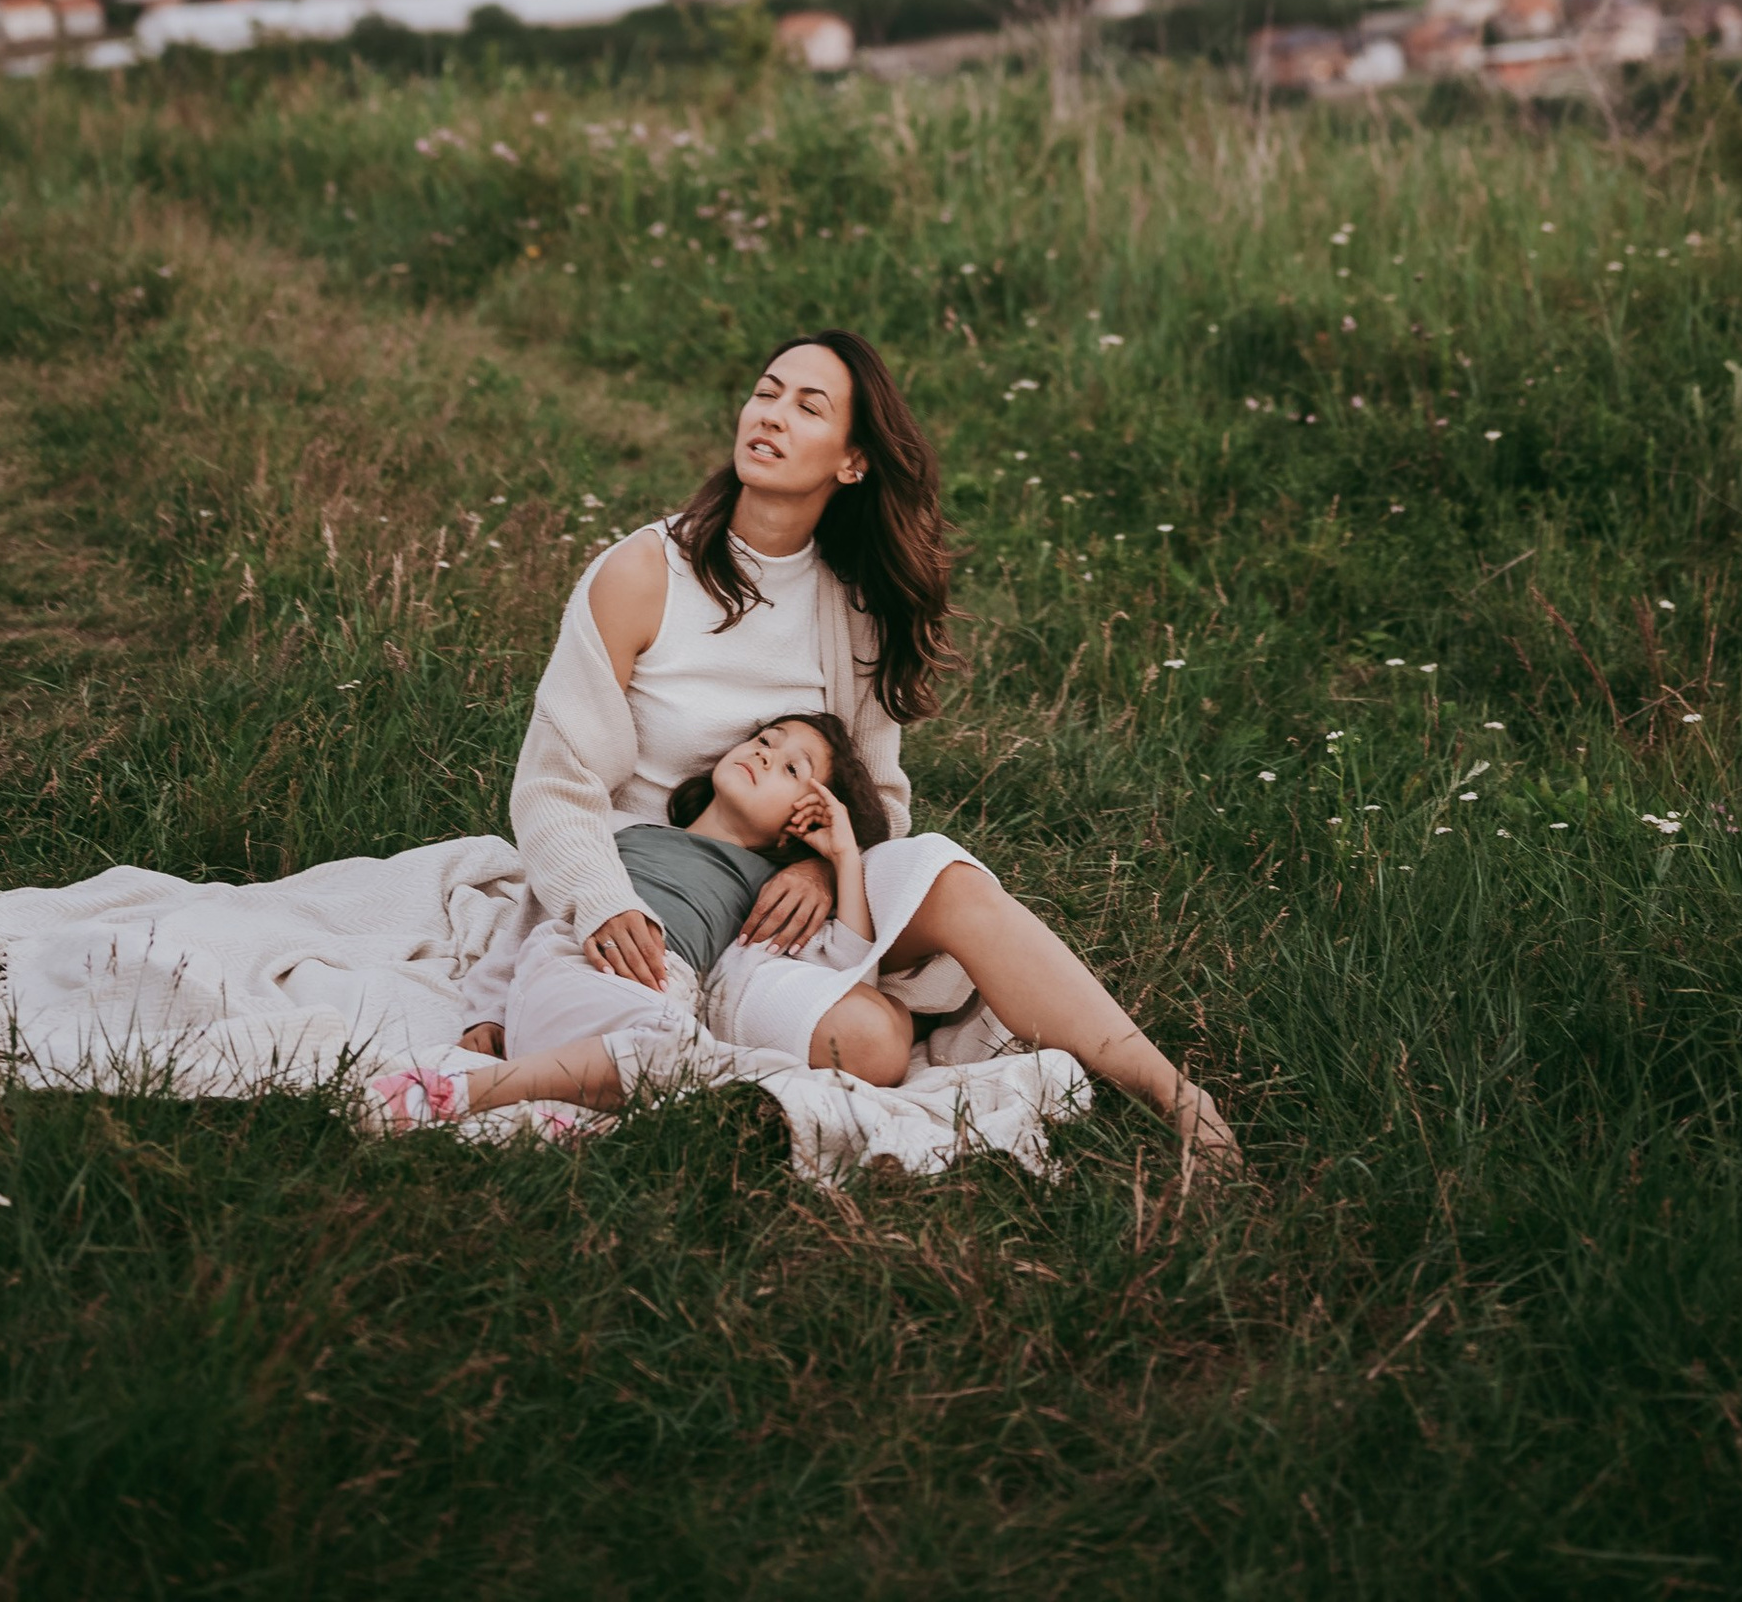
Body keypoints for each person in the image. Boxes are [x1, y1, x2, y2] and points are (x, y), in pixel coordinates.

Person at [463, 327, 1236, 1171]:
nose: (772, 415)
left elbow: (881, 799)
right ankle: (741, 1030)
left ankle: (1170, 1093)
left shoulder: (853, 604)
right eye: (765, 392)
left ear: (853, 461)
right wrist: (603, 899)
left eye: (807, 406)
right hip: (653, 902)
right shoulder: (645, 573)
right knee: (870, 1044)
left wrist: (823, 870)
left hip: (787, 905)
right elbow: (555, 782)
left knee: (948, 874)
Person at [365, 709, 908, 1130]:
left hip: (657, 1002)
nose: (766, 754)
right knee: (682, 1060)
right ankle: (455, 1092)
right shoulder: (628, 833)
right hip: (575, 966)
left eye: (793, 768)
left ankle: (534, 1105)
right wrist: (487, 1015)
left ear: (798, 825)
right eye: (766, 740)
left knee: (687, 1061)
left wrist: (840, 858)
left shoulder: (771, 888)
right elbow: (532, 918)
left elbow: (844, 976)